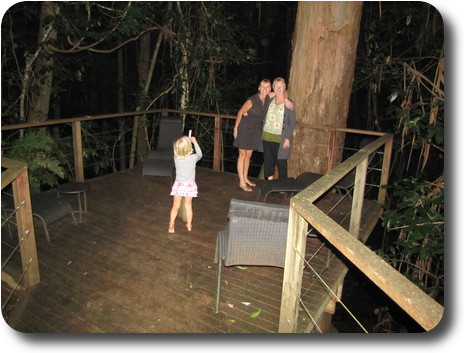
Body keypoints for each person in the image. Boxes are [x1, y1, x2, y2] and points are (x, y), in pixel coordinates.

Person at [233, 79, 294, 191]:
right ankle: (242, 182)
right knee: (242, 155)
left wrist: (286, 100)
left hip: (255, 131)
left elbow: (285, 91)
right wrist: (236, 128)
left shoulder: (268, 97)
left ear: (270, 88)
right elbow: (240, 113)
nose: (265, 89)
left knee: (248, 156)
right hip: (245, 129)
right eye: (262, 87)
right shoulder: (252, 100)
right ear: (259, 88)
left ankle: (246, 178)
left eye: (267, 87)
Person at [262, 77, 296, 180]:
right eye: (276, 86)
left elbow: (292, 122)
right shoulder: (270, 100)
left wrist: (287, 138)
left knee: (281, 162)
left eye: (281, 86)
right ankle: (270, 184)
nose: (278, 88)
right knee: (268, 161)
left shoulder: (289, 102)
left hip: (280, 138)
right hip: (267, 135)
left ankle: (283, 185)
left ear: (284, 87)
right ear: (273, 87)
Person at [169, 136, 202, 233]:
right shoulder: (193, 158)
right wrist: (195, 142)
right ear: (189, 148)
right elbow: (199, 154)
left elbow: (180, 152)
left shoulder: (176, 158)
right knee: (188, 206)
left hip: (179, 185)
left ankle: (171, 224)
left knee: (175, 205)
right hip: (189, 186)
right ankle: (189, 225)